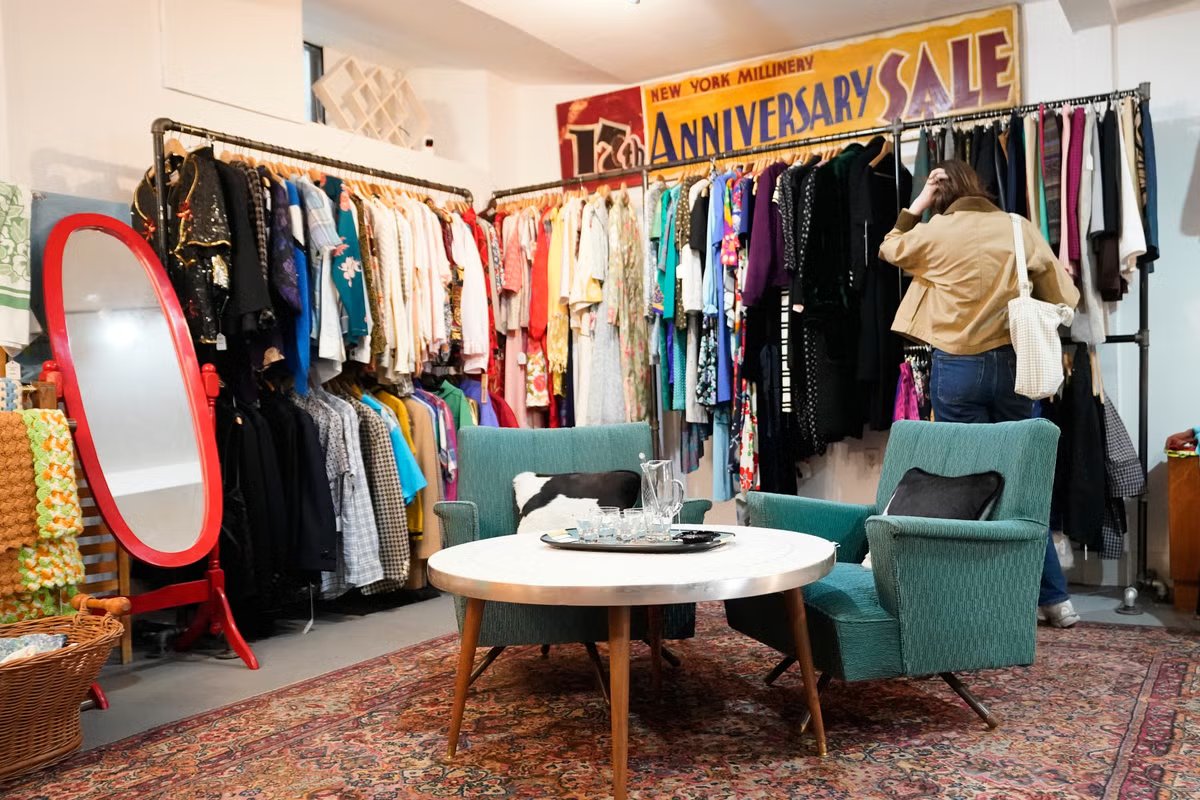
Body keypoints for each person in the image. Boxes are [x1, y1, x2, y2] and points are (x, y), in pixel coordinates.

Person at [878, 160, 1082, 628]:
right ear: (980, 188)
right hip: (1016, 365)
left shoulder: (936, 233)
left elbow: (890, 247)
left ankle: (972, 595)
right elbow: (1064, 295)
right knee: (1023, 479)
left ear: (943, 197)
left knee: (966, 482)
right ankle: (1055, 600)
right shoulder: (1017, 227)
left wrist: (919, 203)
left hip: (958, 368)